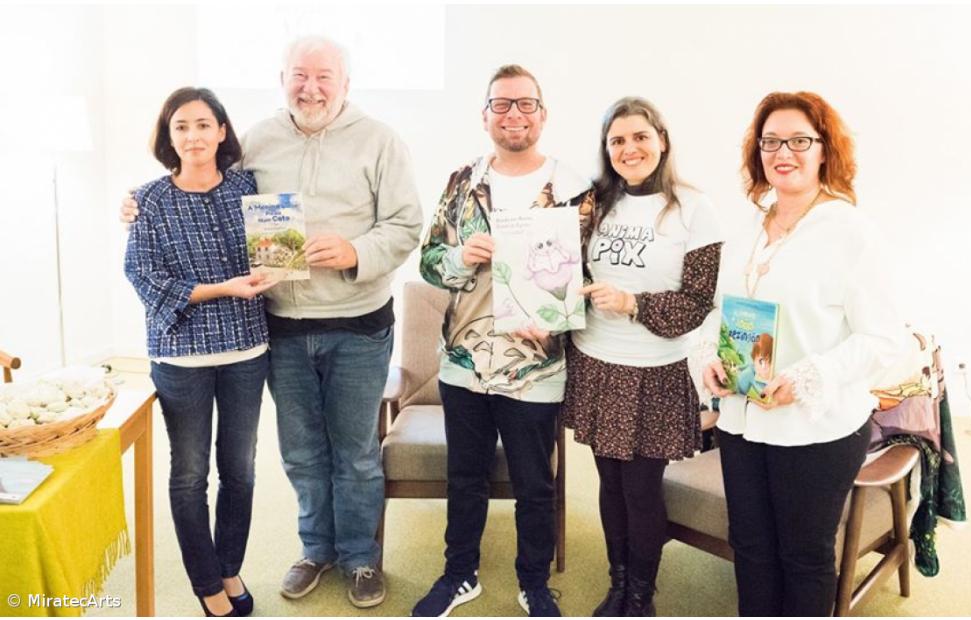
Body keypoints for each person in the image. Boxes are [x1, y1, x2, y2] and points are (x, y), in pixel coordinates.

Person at [121, 36, 423, 610]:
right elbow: (200, 184)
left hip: (358, 324)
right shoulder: (257, 140)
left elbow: (407, 224)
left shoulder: (381, 140)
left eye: (324, 76)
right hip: (279, 325)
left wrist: (356, 250)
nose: (311, 88)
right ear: (282, 79)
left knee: (356, 451)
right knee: (301, 452)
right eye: (299, 75)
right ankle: (315, 549)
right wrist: (137, 202)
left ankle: (360, 556)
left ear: (346, 83)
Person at [698, 91, 907, 616]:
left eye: (798, 140)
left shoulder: (853, 233)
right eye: (770, 141)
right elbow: (717, 313)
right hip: (742, 420)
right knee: (749, 546)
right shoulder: (747, 228)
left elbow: (884, 337)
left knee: (805, 556)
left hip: (815, 427)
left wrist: (811, 375)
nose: (782, 152)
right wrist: (710, 359)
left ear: (824, 150)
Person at [415, 64, 595, 618]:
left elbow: (591, 276)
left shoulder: (576, 190)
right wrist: (457, 257)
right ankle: (459, 574)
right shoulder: (460, 182)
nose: (513, 114)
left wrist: (559, 318)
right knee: (464, 479)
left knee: (535, 484)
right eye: (501, 104)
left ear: (543, 114)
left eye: (525, 104)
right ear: (485, 115)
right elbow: (428, 262)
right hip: (465, 363)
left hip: (536, 368)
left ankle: (533, 583)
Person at [562, 97, 722, 617]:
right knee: (609, 485)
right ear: (606, 149)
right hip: (595, 362)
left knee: (642, 490)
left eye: (639, 137)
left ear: (662, 141)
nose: (628, 149)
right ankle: (618, 584)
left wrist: (633, 303)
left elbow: (697, 302)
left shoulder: (695, 208)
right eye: (617, 141)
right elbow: (559, 266)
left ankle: (640, 595)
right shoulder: (593, 203)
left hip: (655, 372)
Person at [124, 87, 275, 617]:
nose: (193, 136)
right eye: (181, 127)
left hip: (246, 349)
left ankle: (229, 568)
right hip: (180, 356)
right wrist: (220, 289)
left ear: (222, 131)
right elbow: (142, 275)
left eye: (203, 124)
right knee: (190, 475)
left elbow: (276, 249)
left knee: (241, 470)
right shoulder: (148, 199)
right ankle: (206, 583)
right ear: (168, 137)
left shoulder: (249, 188)